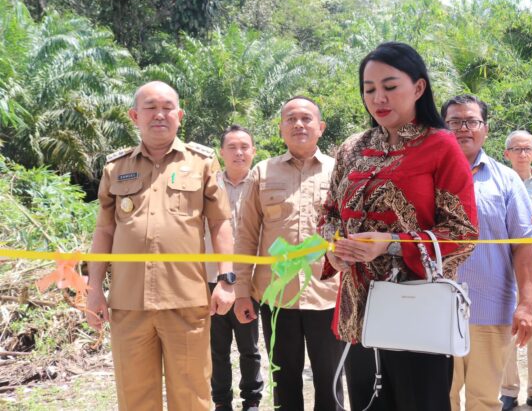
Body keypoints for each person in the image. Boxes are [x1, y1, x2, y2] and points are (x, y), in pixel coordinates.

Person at [319, 42, 479, 411]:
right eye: (369, 89)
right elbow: (329, 216)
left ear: (419, 88)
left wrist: (391, 243)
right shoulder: (351, 149)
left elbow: (463, 233)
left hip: (417, 312)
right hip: (359, 313)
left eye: (390, 86)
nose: (378, 98)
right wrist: (337, 249)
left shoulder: (440, 146)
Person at [85, 81, 237, 410]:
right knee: (135, 398)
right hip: (129, 302)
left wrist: (227, 280)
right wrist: (94, 288)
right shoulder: (116, 167)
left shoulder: (202, 162)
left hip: (186, 300)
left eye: (167, 108)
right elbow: (104, 230)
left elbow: (220, 223)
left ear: (179, 116)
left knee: (192, 396)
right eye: (151, 108)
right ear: (134, 116)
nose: (159, 114)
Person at [233, 96, 343, 410]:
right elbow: (246, 236)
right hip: (277, 295)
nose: (298, 124)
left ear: (321, 127)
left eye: (306, 118)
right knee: (285, 380)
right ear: (281, 128)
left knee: (331, 381)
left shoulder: (339, 171)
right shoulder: (262, 172)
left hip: (328, 294)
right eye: (291, 119)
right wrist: (241, 292)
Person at [441, 97, 532, 411]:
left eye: (472, 121)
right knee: (439, 399)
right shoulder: (427, 176)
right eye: (455, 122)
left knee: (484, 401)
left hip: (490, 310)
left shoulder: (506, 180)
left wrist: (526, 304)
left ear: (485, 128)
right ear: (443, 127)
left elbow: (524, 246)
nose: (463, 129)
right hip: (436, 310)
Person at [204, 125, 262, 411]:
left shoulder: (262, 183)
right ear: (221, 152)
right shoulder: (209, 185)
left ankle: (251, 400)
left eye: (244, 147)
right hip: (213, 277)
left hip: (249, 280)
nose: (239, 153)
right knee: (217, 348)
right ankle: (222, 402)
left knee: (249, 347)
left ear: (253, 151)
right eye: (232, 147)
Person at [500, 130, 532, 411]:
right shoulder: (499, 181)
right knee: (506, 325)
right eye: (516, 149)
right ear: (506, 153)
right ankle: (508, 391)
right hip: (504, 262)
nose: (522, 154)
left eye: (527, 149)